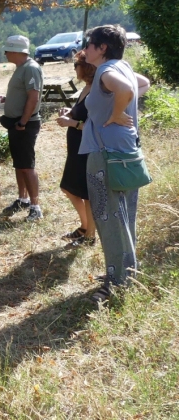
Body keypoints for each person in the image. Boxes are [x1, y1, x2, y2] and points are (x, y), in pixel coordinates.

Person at [79, 25, 150, 303]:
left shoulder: (107, 72)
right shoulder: (124, 67)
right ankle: (126, 271)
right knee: (124, 216)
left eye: (89, 44)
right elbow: (139, 84)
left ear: (102, 48)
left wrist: (118, 112)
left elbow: (124, 90)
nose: (85, 50)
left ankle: (117, 280)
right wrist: (117, 108)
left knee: (108, 218)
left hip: (106, 155)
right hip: (126, 153)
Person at [0, 35, 44, 221]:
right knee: (19, 164)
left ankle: (35, 206)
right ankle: (22, 199)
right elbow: (23, 95)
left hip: (24, 124)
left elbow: (33, 97)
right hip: (17, 123)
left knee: (27, 165)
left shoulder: (31, 68)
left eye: (7, 50)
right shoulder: (21, 68)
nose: (5, 53)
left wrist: (23, 122)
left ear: (17, 51)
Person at [56, 51, 97, 248]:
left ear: (86, 67)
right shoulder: (86, 88)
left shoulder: (97, 91)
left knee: (86, 193)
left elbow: (92, 125)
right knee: (69, 187)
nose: (75, 69)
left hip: (86, 148)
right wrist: (69, 112)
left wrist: (70, 122)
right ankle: (85, 226)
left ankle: (89, 235)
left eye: (76, 65)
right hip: (76, 148)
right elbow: (80, 112)